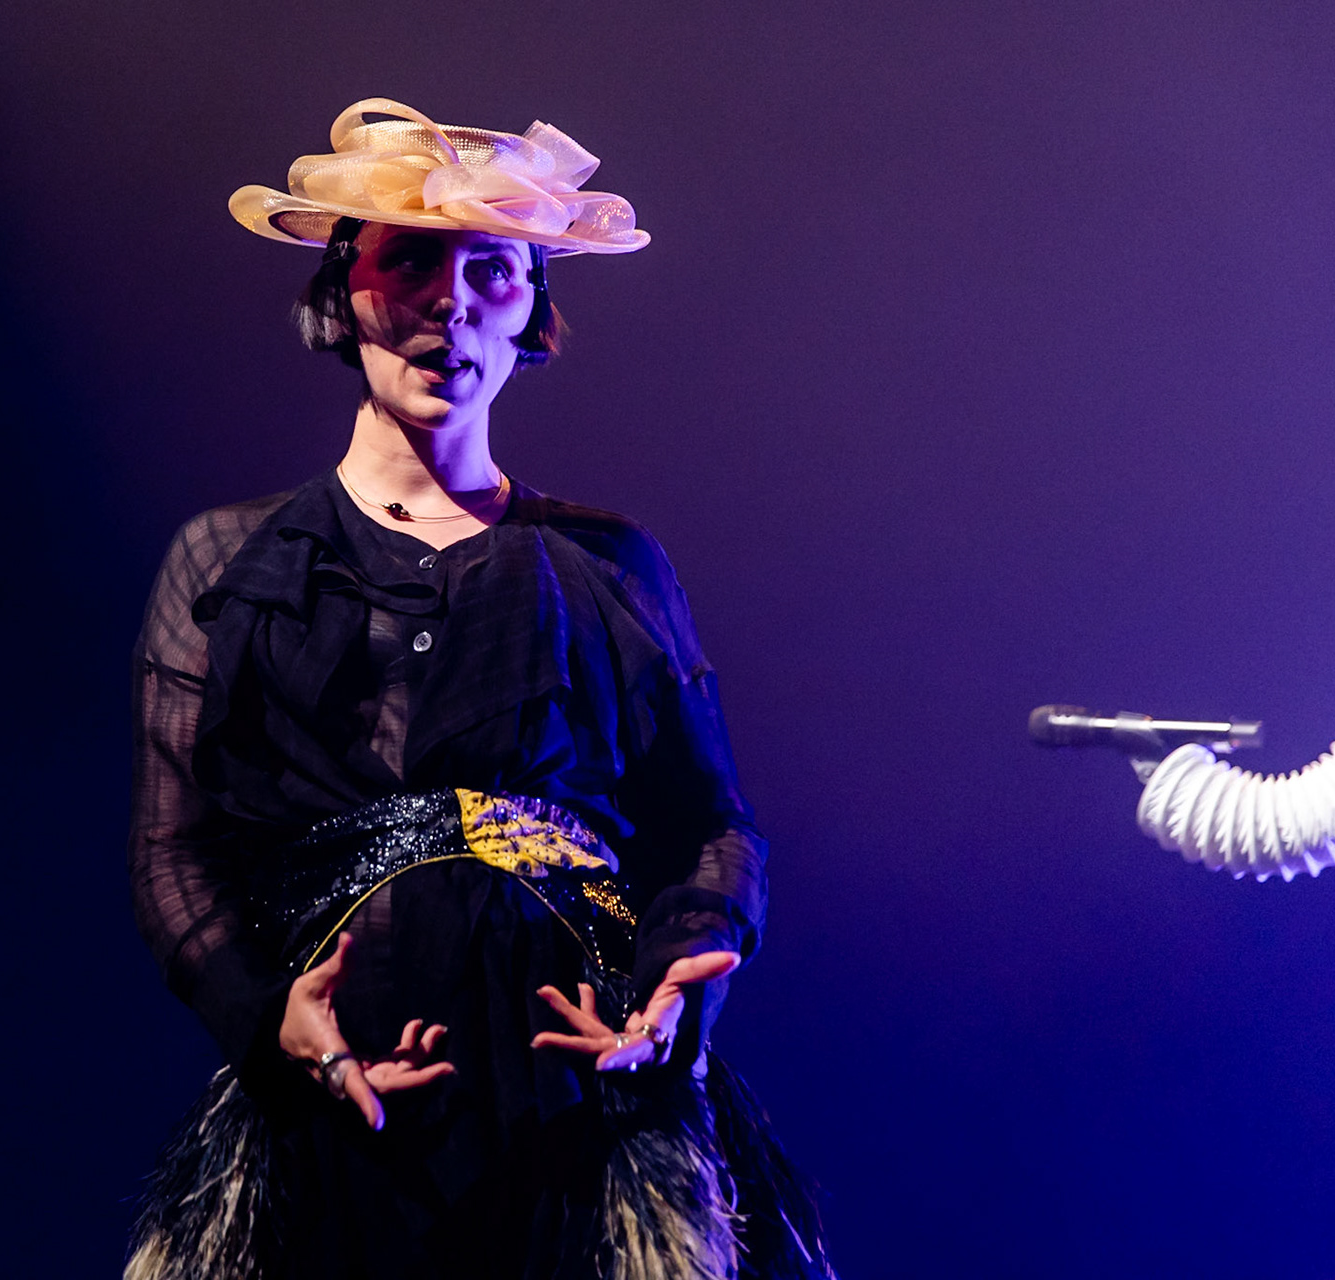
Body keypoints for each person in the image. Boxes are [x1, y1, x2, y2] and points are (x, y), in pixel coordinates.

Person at [126, 98, 831, 1280]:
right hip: (334, 1107)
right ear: (345, 289)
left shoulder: (608, 564)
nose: (449, 303)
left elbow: (710, 822)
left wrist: (692, 956)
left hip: (574, 1104)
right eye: (411, 261)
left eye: (492, 271)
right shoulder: (229, 559)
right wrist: (267, 1018)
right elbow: (170, 849)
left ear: (532, 316)